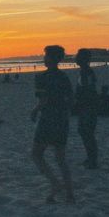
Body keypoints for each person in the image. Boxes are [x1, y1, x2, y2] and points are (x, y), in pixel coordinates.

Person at [31, 45, 75, 204]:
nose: (43, 58)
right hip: (62, 119)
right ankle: (70, 194)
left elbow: (44, 100)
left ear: (50, 58)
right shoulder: (64, 77)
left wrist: (35, 110)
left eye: (45, 56)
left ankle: (55, 184)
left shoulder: (41, 77)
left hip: (48, 118)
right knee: (61, 158)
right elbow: (70, 100)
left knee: (36, 154)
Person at [74, 48, 99, 169]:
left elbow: (87, 90)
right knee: (86, 132)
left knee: (86, 132)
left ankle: (92, 160)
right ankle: (91, 158)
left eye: (77, 55)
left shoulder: (86, 72)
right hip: (87, 107)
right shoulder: (85, 71)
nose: (75, 57)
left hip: (87, 107)